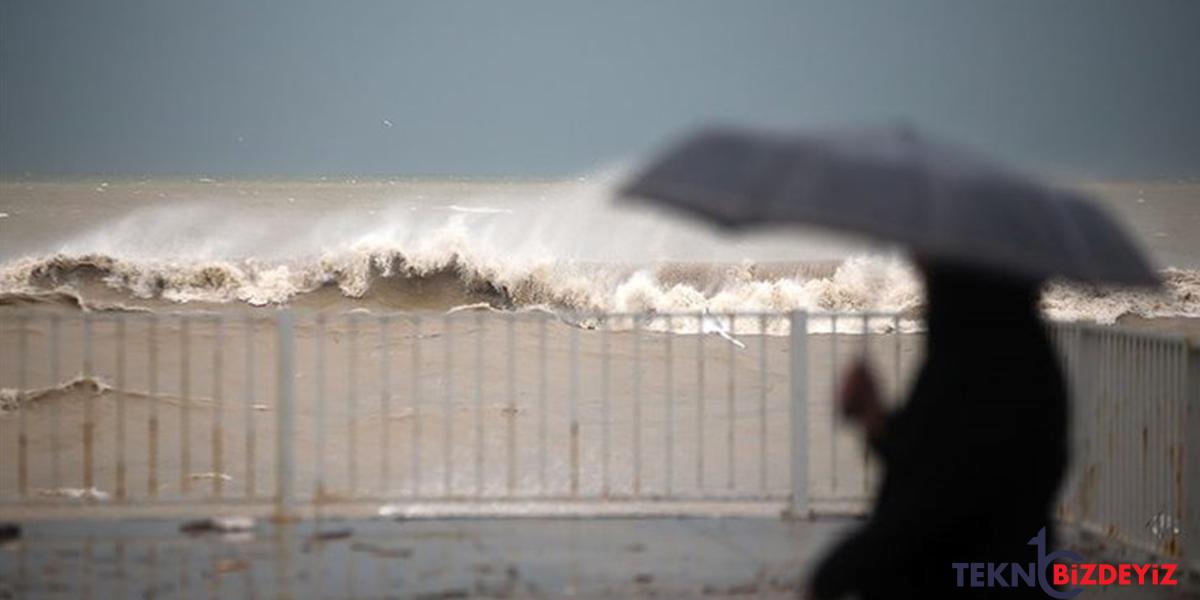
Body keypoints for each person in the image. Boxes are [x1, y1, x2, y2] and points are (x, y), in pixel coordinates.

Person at [807, 260, 1068, 598]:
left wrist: (836, 571)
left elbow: (934, 499)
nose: (920, 270)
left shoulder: (977, 365)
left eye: (931, 265)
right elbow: (930, 452)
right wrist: (874, 416)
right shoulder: (1020, 355)